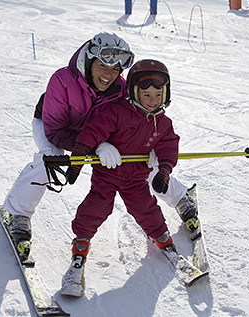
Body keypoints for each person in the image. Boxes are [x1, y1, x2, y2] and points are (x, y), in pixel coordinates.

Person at [0, 33, 199, 251]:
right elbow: (56, 132)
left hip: (99, 134)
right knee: (50, 160)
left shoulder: (122, 89)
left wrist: (148, 146)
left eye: (115, 69)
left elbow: (134, 123)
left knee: (138, 160)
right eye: (103, 65)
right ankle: (17, 213)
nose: (109, 74)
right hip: (55, 128)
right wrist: (97, 146)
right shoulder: (63, 80)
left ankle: (180, 197)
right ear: (89, 61)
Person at [61, 60, 180, 296]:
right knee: (96, 208)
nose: (153, 100)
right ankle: (81, 242)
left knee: (145, 208)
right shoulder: (115, 111)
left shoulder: (163, 123)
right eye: (146, 94)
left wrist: (164, 170)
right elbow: (92, 132)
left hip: (136, 177)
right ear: (133, 92)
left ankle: (161, 236)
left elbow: (168, 147)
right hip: (108, 174)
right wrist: (78, 160)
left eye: (158, 94)